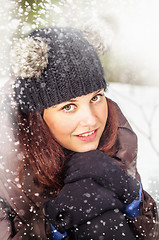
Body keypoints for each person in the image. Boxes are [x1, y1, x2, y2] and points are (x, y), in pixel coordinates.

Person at [0, 26, 158, 240]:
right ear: (37, 116)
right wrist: (52, 224)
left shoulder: (117, 138)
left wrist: (134, 198)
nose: (91, 120)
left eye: (95, 98)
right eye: (68, 107)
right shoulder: (6, 164)